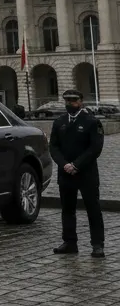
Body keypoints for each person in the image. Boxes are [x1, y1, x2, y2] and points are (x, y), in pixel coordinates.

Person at [51, 89, 105, 258]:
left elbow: (95, 148)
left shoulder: (91, 121)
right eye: (67, 101)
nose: (70, 104)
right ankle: (69, 242)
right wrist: (64, 164)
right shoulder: (59, 122)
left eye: (73, 101)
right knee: (68, 209)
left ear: (81, 101)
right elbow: (54, 147)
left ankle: (97, 244)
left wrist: (76, 165)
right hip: (65, 173)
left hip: (86, 173)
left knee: (93, 208)